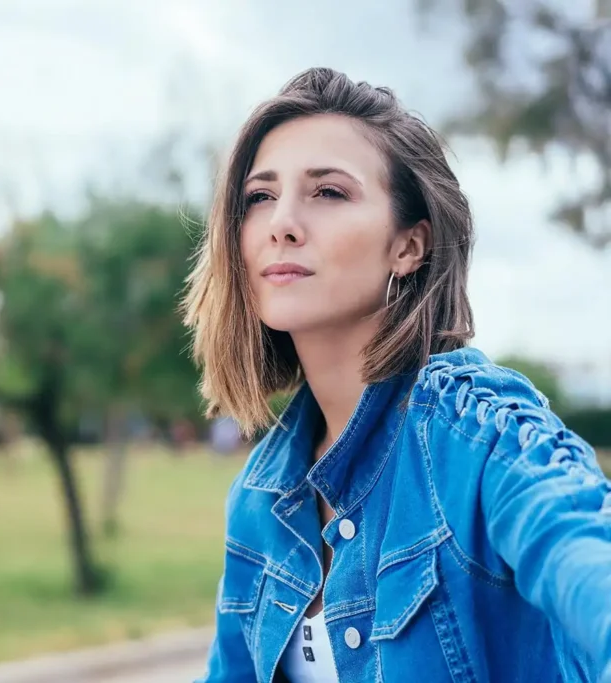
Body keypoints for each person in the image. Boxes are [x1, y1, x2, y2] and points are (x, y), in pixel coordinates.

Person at [182, 67, 611, 683]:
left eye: (328, 192)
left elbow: (581, 549)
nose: (282, 223)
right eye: (259, 197)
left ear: (408, 247)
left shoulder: (473, 432)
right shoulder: (259, 497)